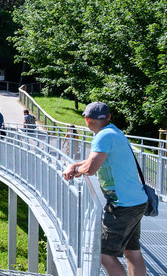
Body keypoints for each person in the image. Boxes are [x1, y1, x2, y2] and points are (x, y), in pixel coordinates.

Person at [62, 102, 148, 276]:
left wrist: (76, 170)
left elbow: (91, 168)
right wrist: (75, 165)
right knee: (132, 251)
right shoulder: (114, 132)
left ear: (86, 119)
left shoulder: (103, 137)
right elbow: (96, 160)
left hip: (122, 206)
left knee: (103, 253)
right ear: (108, 117)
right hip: (137, 201)